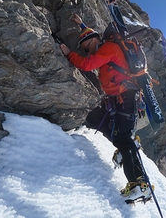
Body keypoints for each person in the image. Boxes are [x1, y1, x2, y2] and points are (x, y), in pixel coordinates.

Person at [59, 14, 151, 202]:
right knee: (119, 135)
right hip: (122, 99)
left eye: (86, 47)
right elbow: (89, 38)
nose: (87, 51)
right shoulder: (107, 47)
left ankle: (137, 183)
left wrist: (69, 53)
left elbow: (86, 64)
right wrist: (81, 24)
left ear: (94, 41)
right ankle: (139, 176)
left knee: (123, 139)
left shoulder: (108, 48)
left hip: (125, 97)